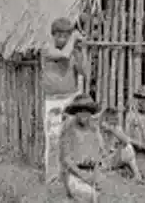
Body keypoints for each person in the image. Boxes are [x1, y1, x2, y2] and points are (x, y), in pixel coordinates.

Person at [59, 94, 141, 202]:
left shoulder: (94, 128)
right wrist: (83, 175)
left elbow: (99, 154)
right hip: (75, 175)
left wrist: (95, 174)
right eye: (80, 110)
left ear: (91, 112)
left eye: (87, 110)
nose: (84, 114)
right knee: (93, 197)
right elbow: (66, 160)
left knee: (116, 196)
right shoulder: (68, 128)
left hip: (93, 172)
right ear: (75, 112)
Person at [42, 17, 89, 185]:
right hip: (54, 101)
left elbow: (84, 71)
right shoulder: (47, 48)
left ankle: (71, 175)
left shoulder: (72, 50)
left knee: (71, 137)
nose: (62, 39)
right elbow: (62, 56)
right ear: (53, 35)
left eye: (66, 36)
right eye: (59, 35)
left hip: (70, 99)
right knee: (54, 138)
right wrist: (74, 39)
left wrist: (81, 50)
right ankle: (52, 178)